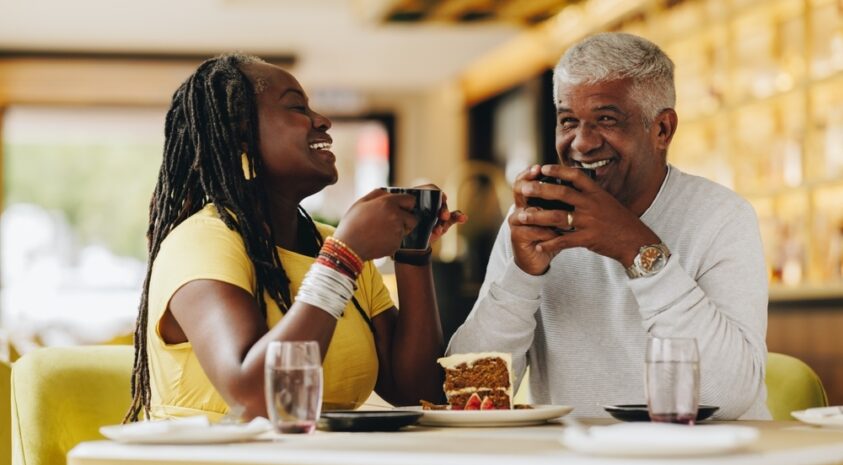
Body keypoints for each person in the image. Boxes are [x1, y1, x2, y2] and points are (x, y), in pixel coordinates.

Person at [124, 53, 465, 422]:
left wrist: (412, 252)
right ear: (241, 134)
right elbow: (257, 400)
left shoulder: (332, 246)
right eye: (297, 107)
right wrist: (342, 258)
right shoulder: (203, 240)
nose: (323, 120)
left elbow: (418, 392)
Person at [448, 32, 770, 419]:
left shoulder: (722, 217)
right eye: (568, 121)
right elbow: (469, 394)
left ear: (662, 130)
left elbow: (729, 396)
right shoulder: (535, 223)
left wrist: (635, 248)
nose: (581, 143)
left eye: (606, 120)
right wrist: (521, 276)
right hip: (583, 456)